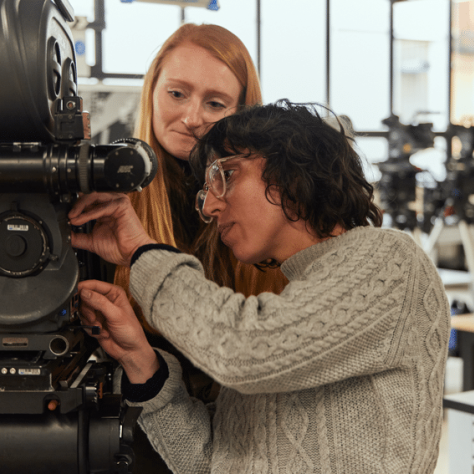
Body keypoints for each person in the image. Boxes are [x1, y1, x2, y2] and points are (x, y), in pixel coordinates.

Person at [69, 100, 451, 474]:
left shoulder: (390, 261)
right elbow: (209, 464)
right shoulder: (290, 307)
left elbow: (246, 349)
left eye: (226, 175)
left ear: (293, 168)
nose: (211, 208)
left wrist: (141, 251)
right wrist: (140, 360)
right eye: (206, 194)